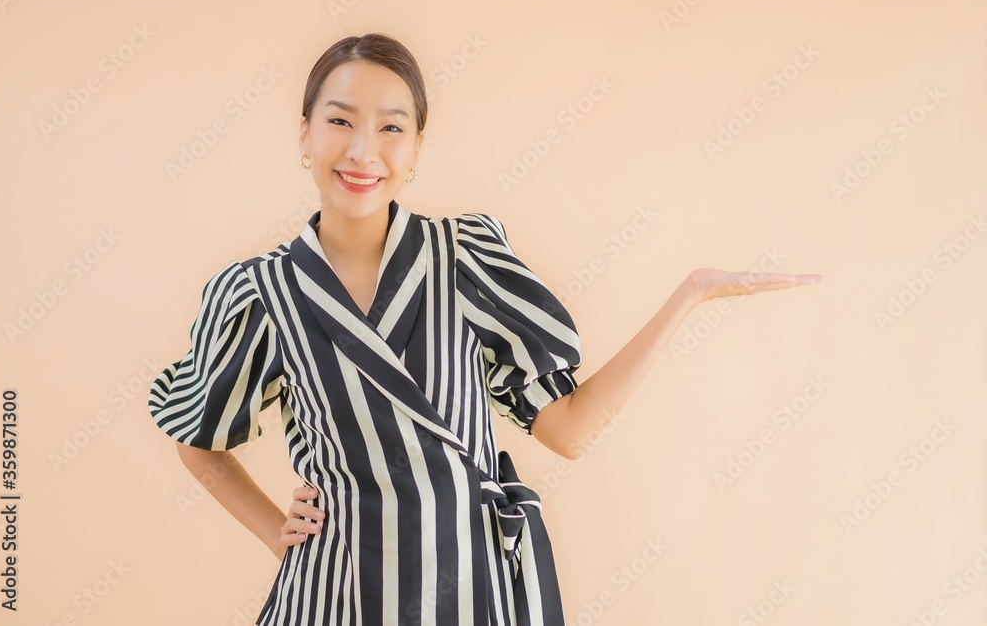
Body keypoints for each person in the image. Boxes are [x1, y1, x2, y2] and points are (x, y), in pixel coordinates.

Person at [148, 32, 822, 625]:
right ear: (304, 133)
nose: (362, 150)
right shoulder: (260, 292)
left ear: (417, 147)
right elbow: (198, 442)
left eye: (390, 128)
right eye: (340, 121)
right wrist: (277, 533)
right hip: (336, 595)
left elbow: (567, 430)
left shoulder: (464, 258)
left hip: (470, 592)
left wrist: (689, 294)